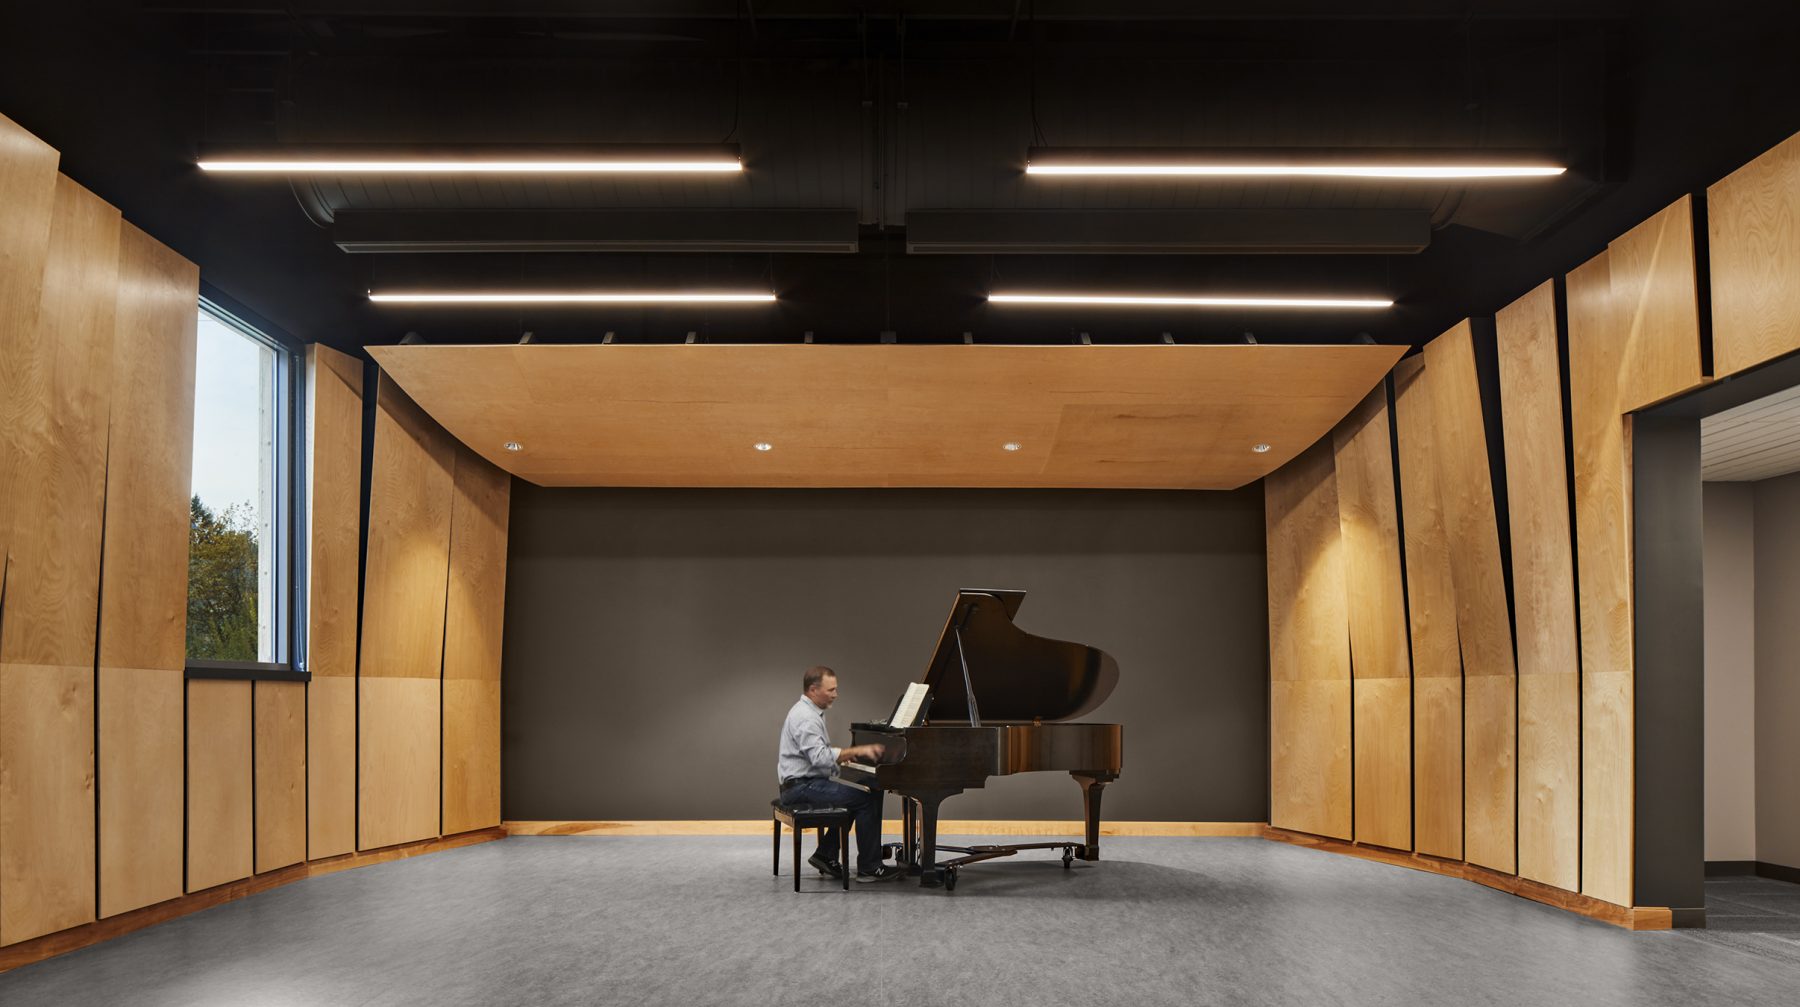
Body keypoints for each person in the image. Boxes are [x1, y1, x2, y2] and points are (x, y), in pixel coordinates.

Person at [777, 665, 903, 883]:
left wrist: (847, 760)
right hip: (800, 788)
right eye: (831, 690)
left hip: (804, 784)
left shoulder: (809, 712)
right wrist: (855, 752)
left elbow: (820, 759)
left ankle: (825, 854)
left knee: (860, 797)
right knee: (864, 801)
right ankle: (869, 868)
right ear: (813, 690)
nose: (836, 694)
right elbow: (818, 757)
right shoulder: (806, 717)